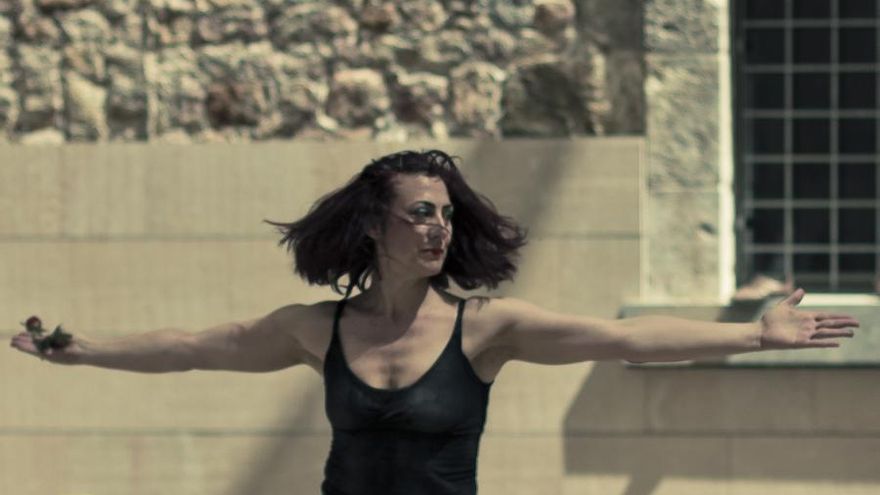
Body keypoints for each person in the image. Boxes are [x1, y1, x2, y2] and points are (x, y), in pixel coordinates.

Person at [9, 149, 860, 495]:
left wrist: (751, 335)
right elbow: (201, 347)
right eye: (421, 212)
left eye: (446, 215)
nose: (439, 228)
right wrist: (81, 350)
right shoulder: (318, 330)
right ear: (374, 227)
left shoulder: (485, 328)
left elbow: (624, 336)